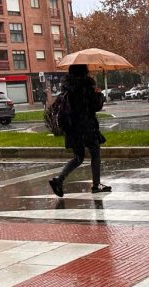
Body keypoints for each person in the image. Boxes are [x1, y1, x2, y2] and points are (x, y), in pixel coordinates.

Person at [49, 64, 111, 197]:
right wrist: (99, 94)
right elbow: (95, 106)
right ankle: (96, 185)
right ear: (84, 72)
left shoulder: (67, 88)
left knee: (78, 157)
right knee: (95, 154)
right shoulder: (86, 86)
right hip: (86, 127)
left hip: (72, 129)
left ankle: (59, 180)